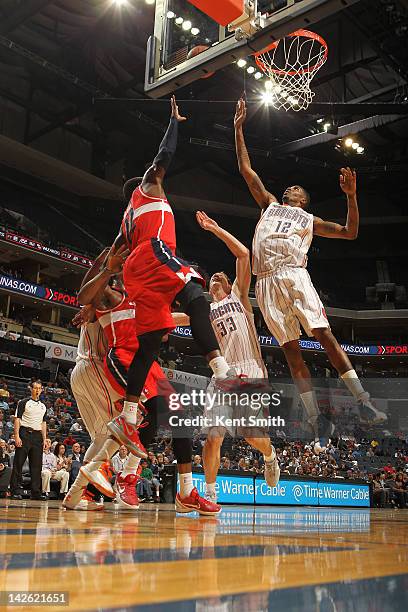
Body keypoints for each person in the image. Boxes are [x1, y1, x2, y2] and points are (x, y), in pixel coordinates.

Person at [234, 98, 387, 445]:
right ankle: (315, 418)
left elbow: (350, 232)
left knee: (324, 334)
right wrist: (238, 129)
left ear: (304, 200)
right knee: (290, 352)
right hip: (266, 283)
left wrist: (351, 196)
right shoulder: (269, 205)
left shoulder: (310, 220)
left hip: (293, 273)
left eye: (297, 189)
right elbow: (247, 171)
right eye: (288, 187)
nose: (290, 189)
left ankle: (362, 400)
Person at [104, 97, 240, 467]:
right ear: (146, 186)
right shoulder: (148, 187)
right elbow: (164, 154)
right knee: (197, 296)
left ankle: (129, 412)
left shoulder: (125, 223)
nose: (164, 188)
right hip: (154, 253)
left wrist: (88, 301)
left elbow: (110, 260)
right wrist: (174, 121)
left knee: (149, 342)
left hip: (134, 269)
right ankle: (220, 368)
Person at [78, 247, 221, 515]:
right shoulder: (109, 294)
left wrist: (202, 309)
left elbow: (173, 323)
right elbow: (83, 295)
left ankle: (186, 491)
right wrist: (104, 264)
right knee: (153, 412)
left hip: (149, 365)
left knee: (181, 416)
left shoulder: (143, 296)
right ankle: (127, 477)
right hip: (123, 359)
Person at [175, 211, 279, 503]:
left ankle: (270, 456)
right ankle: (210, 494)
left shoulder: (240, 298)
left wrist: (215, 228)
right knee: (213, 435)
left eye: (221, 276)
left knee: (249, 435)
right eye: (212, 279)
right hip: (221, 375)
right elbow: (176, 319)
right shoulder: (204, 312)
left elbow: (244, 254)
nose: (216, 279)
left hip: (250, 370)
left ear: (229, 283)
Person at [9, 380, 47, 500]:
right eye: (35, 388)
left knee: (36, 466)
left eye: (39, 388)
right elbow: (17, 420)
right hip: (24, 433)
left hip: (37, 437)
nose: (37, 390)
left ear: (41, 390)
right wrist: (17, 436)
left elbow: (44, 423)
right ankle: (15, 490)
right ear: (30, 389)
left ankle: (35, 492)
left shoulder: (43, 406)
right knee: (18, 463)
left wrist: (45, 439)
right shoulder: (23, 402)